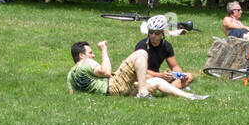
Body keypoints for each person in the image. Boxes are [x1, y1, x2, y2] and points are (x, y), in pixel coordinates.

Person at [67, 40, 206, 99]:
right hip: (114, 86)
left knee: (157, 81)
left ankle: (189, 96)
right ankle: (143, 92)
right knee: (141, 53)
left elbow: (73, 93)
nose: (93, 55)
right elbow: (106, 72)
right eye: (90, 52)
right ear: (82, 55)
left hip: (115, 91)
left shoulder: (70, 75)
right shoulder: (86, 62)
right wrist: (103, 49)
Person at [134, 15, 194, 89]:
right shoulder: (141, 46)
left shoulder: (166, 46)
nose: (153, 35)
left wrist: (180, 75)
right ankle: (172, 88)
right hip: (144, 75)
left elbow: (174, 66)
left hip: (159, 77)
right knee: (147, 77)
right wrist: (160, 75)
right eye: (151, 32)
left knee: (189, 76)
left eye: (156, 33)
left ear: (163, 33)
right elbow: (140, 69)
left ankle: (166, 89)